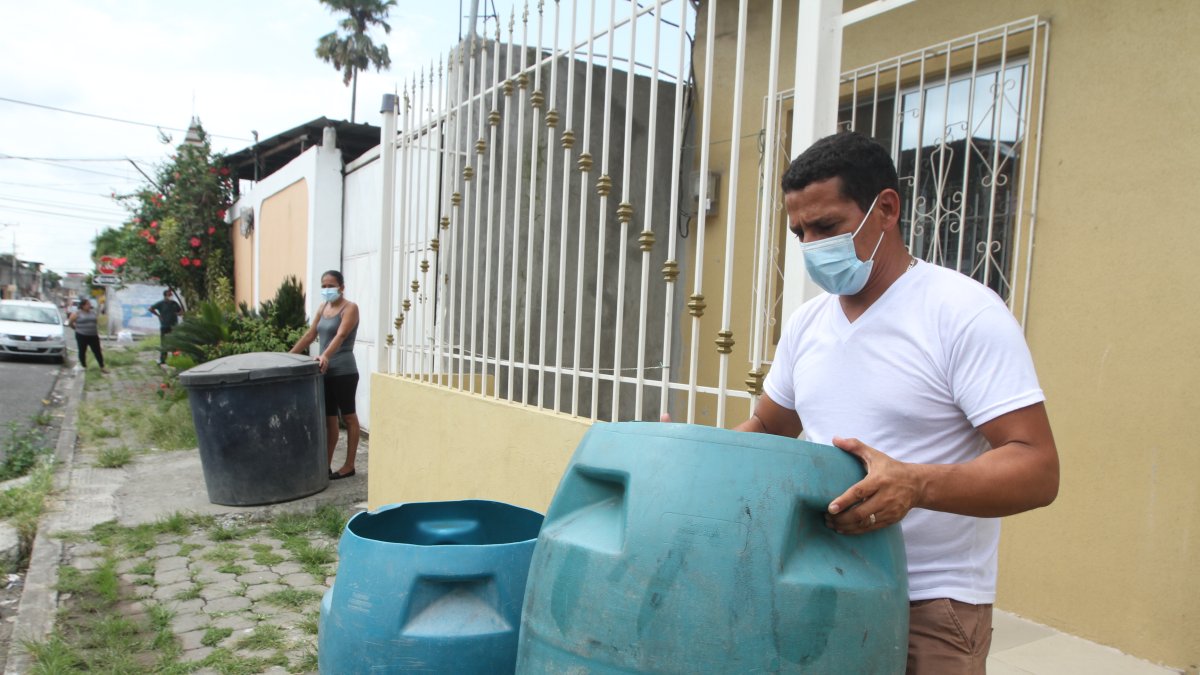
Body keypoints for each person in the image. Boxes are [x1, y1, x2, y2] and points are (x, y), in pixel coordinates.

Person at [739, 132, 1059, 673]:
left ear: (886, 209)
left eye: (827, 227)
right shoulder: (806, 325)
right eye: (800, 233)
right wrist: (687, 453)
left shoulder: (962, 313)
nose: (812, 247)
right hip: (818, 584)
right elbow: (769, 427)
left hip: (930, 603)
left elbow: (1037, 466)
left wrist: (915, 485)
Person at [290, 270, 361, 480]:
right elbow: (310, 335)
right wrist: (288, 357)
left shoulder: (350, 308)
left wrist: (325, 355)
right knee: (330, 421)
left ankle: (349, 465)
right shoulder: (323, 307)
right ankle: (325, 466)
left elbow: (341, 335)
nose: (327, 289)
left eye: (331, 285)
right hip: (324, 372)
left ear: (341, 287)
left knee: (348, 417)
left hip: (344, 370)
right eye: (324, 286)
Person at [68, 298, 108, 374]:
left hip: (93, 335)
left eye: (89, 304)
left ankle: (102, 366)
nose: (89, 305)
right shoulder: (77, 313)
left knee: (97, 351)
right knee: (82, 351)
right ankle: (84, 366)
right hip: (81, 335)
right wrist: (76, 329)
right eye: (87, 304)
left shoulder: (92, 313)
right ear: (82, 306)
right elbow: (70, 323)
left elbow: (96, 322)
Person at [149, 289, 183, 364]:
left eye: (171, 295)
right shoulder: (161, 303)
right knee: (164, 343)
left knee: (175, 343)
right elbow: (151, 308)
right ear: (165, 296)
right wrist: (158, 315)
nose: (170, 296)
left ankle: (175, 358)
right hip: (164, 325)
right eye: (169, 295)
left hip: (174, 325)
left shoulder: (174, 303)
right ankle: (163, 359)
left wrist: (178, 314)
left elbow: (180, 311)